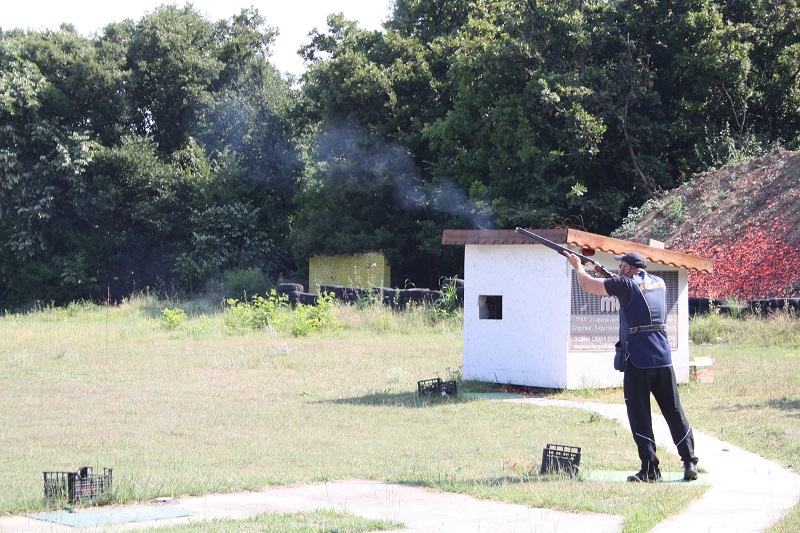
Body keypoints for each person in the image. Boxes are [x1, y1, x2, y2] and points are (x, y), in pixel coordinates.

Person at [565, 250, 699, 482]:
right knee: (674, 411)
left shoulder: (624, 284)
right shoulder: (659, 282)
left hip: (638, 359)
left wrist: (577, 265)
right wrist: (609, 276)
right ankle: (689, 462)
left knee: (639, 415)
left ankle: (650, 469)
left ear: (627, 268)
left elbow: (587, 284)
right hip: (663, 358)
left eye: (621, 266)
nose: (619, 269)